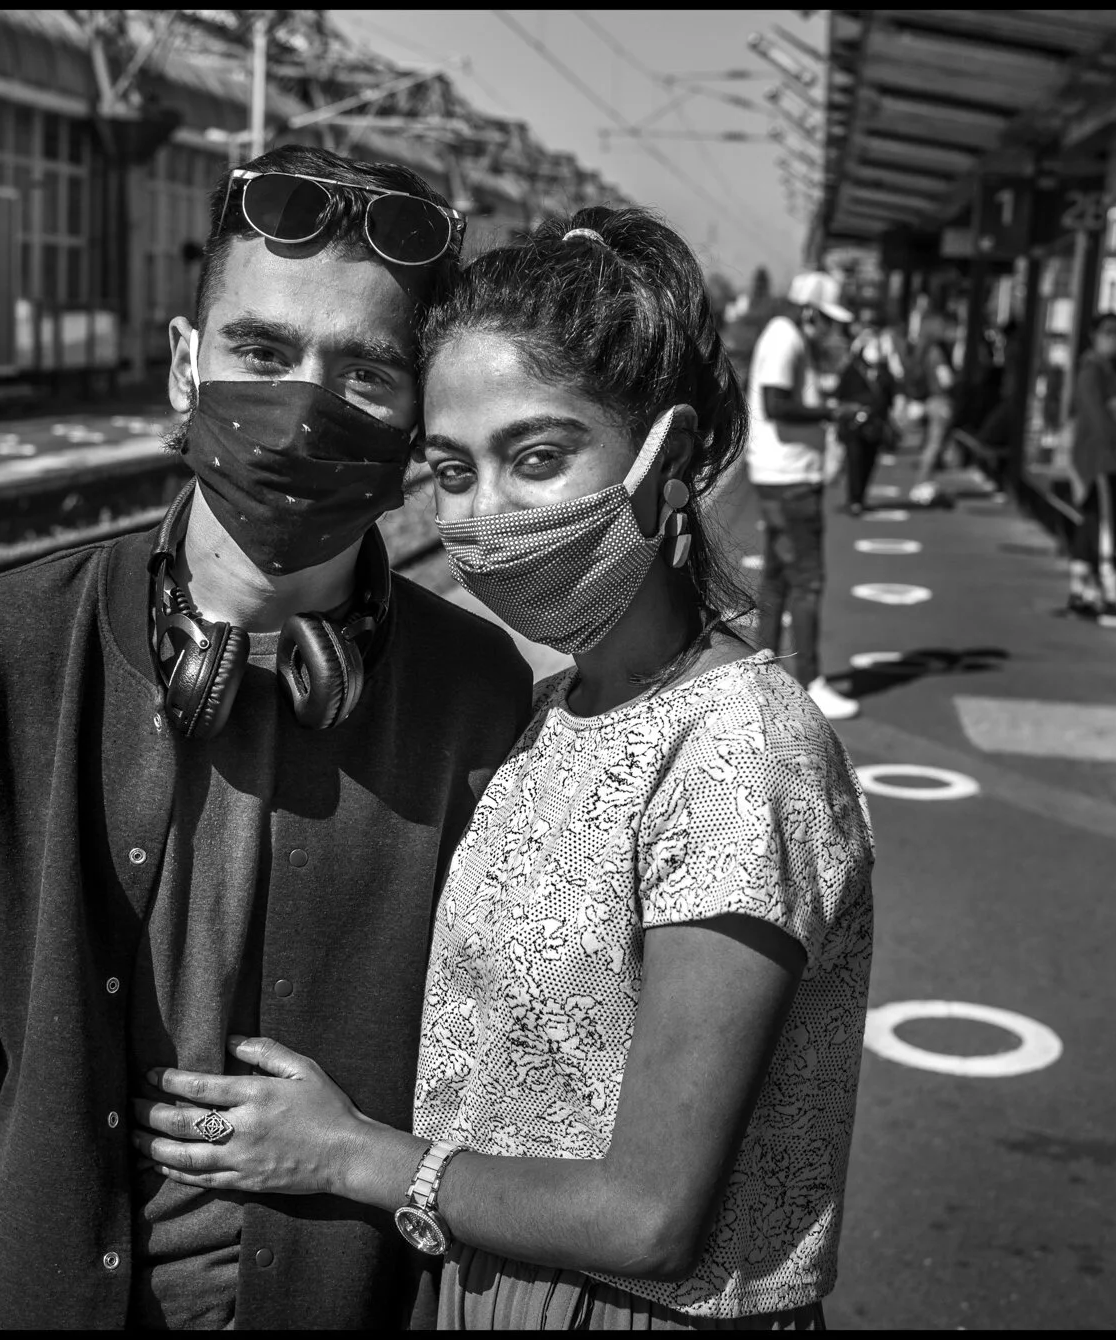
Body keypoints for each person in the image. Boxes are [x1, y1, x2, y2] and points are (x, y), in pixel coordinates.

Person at [0, 144, 535, 1329]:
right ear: (182, 367)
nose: (304, 403)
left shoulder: (473, 692)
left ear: (417, 420)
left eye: (364, 373)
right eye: (261, 350)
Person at [133, 205, 875, 1332]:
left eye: (534, 457)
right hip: (489, 1286)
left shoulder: (737, 749)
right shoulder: (551, 713)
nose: (486, 516)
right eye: (451, 470)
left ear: (665, 461)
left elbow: (646, 1215)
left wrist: (350, 1155)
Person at [744, 269, 860, 721]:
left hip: (783, 478)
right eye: (827, 319)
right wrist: (831, 411)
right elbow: (776, 404)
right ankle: (810, 680)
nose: (830, 329)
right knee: (807, 581)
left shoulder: (786, 336)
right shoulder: (784, 338)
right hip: (789, 481)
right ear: (809, 309)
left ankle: (761, 675)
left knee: (778, 579)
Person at [1065, 312, 1116, 620]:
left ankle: (1080, 587)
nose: (1114, 339)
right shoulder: (1093, 372)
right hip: (1100, 459)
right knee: (1105, 525)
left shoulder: (1105, 371)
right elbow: (1100, 420)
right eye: (1108, 332)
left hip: (1103, 457)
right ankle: (1110, 591)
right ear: (1094, 335)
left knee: (1093, 519)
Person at [835, 325, 899, 516]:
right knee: (855, 461)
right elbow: (841, 395)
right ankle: (854, 499)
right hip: (854, 425)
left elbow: (890, 395)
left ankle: (860, 498)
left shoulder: (885, 372)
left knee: (869, 462)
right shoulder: (852, 370)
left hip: (876, 424)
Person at [906, 311, 960, 505]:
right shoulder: (937, 352)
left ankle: (924, 482)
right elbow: (946, 380)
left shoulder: (924, 350)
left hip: (930, 400)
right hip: (940, 401)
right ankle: (921, 484)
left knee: (932, 444)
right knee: (934, 445)